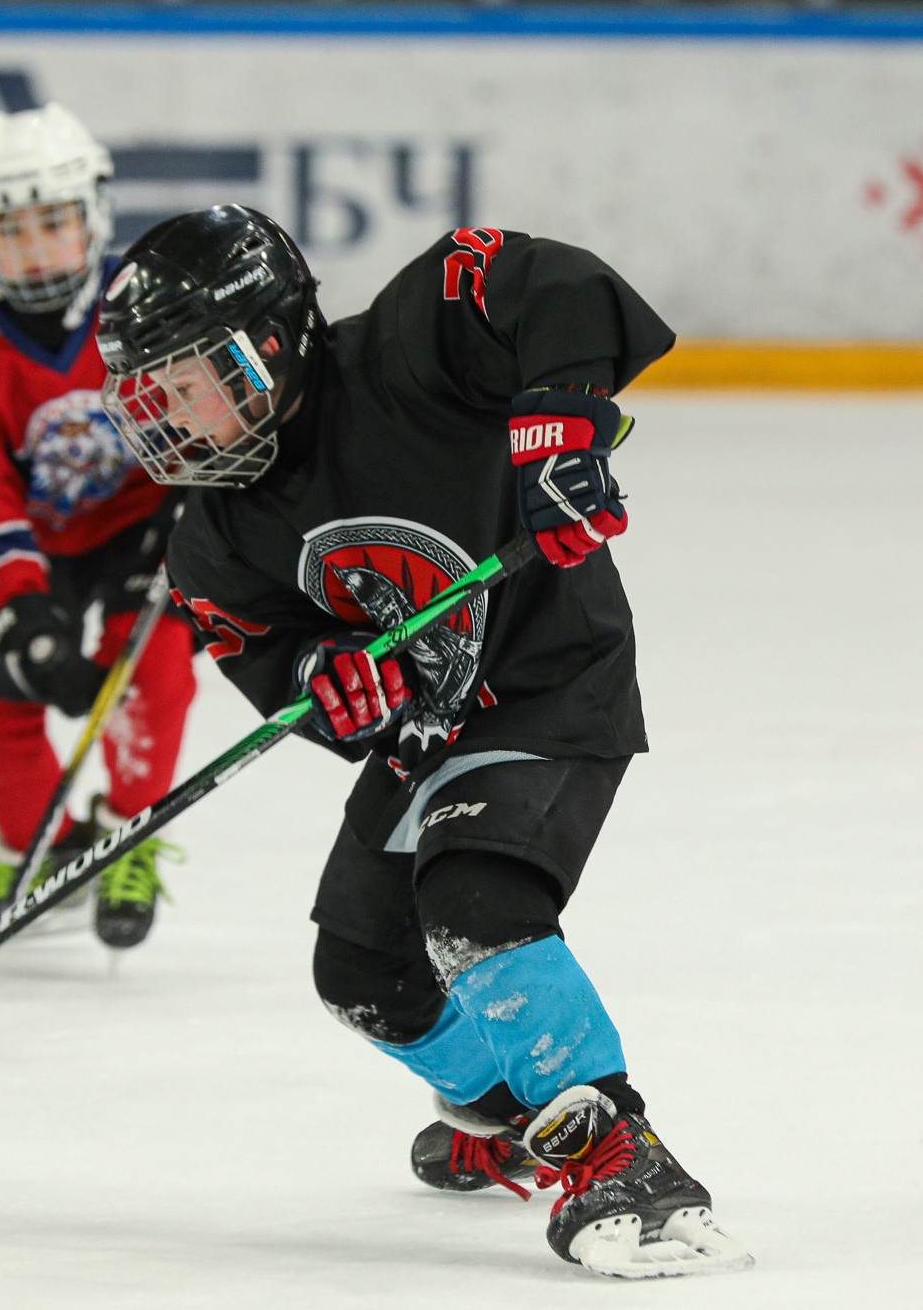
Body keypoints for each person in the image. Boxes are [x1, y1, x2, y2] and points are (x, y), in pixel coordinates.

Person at [93, 207, 752, 1277]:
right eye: (149, 394)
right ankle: (509, 1121)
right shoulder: (214, 530)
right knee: (359, 966)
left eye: (186, 381)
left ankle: (617, 1155)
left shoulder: (407, 351)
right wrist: (328, 682)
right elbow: (265, 649)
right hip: (431, 725)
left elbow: (555, 286)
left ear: (265, 345)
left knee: (476, 907)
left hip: (546, 676)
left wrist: (556, 435)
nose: (167, 416)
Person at [0, 105, 197, 951]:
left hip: (141, 530)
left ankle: (124, 837)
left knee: (150, 666)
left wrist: (193, 506)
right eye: (10, 231)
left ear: (95, 215)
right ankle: (45, 852)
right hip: (36, 549)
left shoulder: (150, 313)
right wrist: (24, 620)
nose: (35, 249)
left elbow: (219, 419)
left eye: (54, 222)